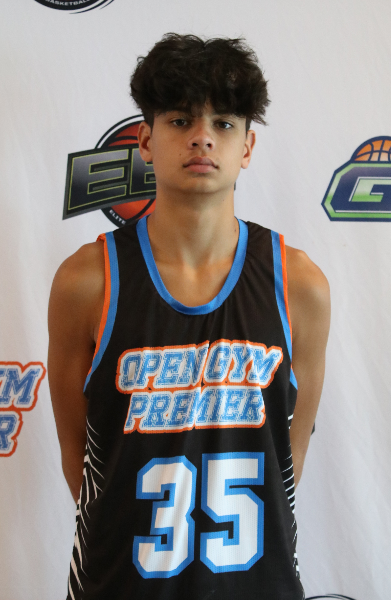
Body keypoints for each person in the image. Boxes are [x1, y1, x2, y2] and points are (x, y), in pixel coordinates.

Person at [48, 33, 330, 600]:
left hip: (259, 584)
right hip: (119, 584)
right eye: (180, 120)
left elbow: (289, 455)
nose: (202, 136)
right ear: (146, 141)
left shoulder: (299, 285)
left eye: (223, 123)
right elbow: (80, 458)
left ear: (247, 146)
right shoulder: (88, 281)